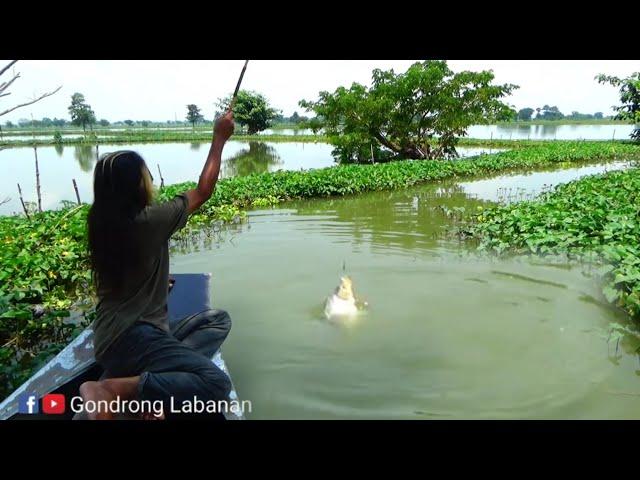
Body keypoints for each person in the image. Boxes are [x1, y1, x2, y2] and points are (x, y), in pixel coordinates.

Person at [79, 110, 235, 420]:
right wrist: (219, 139)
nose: (150, 181)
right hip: (135, 336)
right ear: (136, 187)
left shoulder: (100, 223)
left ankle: (152, 381)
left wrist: (156, 286)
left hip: (111, 335)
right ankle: (114, 390)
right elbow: (203, 191)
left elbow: (122, 278)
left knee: (217, 320)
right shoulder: (148, 221)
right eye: (146, 176)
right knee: (215, 383)